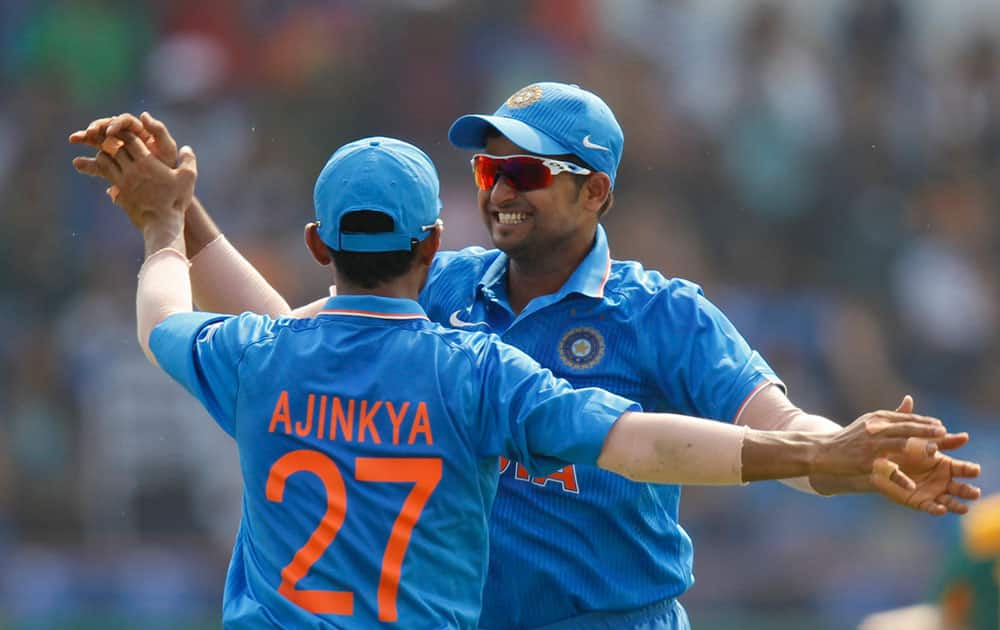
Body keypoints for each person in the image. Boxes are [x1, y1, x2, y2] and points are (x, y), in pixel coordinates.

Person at [70, 92, 981, 629]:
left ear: (597, 190)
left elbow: (782, 432)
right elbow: (312, 346)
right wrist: (184, 216)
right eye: (486, 172)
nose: (500, 190)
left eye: (527, 173)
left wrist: (845, 454)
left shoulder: (664, 317)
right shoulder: (447, 287)